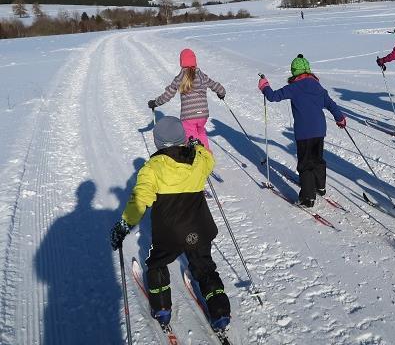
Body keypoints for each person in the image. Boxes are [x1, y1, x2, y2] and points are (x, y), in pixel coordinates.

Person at [110, 116, 231, 331]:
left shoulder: (152, 168)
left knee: (157, 264)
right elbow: (209, 159)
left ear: (158, 143)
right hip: (199, 229)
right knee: (204, 267)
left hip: (170, 233)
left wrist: (125, 224)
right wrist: (198, 146)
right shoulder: (199, 159)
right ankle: (220, 312)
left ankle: (163, 309)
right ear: (183, 138)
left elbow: (140, 199)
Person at [258, 54, 346, 207]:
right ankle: (320, 186)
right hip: (319, 130)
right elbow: (331, 104)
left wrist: (264, 86)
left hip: (304, 133)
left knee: (305, 164)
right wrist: (340, 118)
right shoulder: (318, 86)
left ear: (294, 72)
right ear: (308, 70)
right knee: (317, 159)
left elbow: (273, 97)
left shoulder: (294, 87)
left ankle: (307, 198)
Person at [147, 49, 225, 150]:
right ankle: (207, 156)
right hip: (203, 115)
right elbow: (215, 85)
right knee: (200, 133)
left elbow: (168, 95)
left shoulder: (179, 78)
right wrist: (221, 93)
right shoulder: (202, 76)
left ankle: (197, 158)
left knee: (191, 139)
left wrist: (155, 103)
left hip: (188, 117)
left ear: (181, 62)